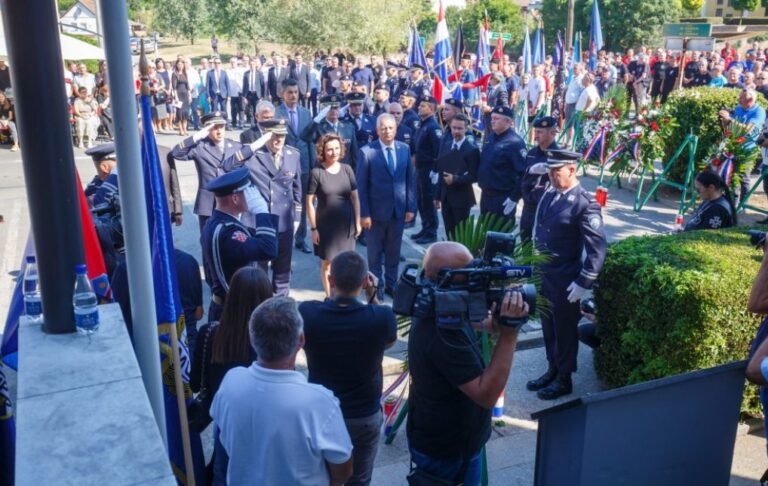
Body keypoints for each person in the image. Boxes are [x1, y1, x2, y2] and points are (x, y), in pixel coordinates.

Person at [406, 241, 530, 486]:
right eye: (469, 272)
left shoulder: (438, 302)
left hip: (452, 443)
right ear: (448, 278)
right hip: (448, 456)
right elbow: (486, 395)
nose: (476, 277)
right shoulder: (441, 333)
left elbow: (469, 321)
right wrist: (509, 335)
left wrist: (495, 323)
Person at [210, 296, 354, 486]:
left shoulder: (231, 381)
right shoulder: (320, 402)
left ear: (252, 338)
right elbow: (343, 470)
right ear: (300, 340)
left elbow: (222, 435)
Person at [299, 251, 397, 486]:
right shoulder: (381, 317)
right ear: (365, 282)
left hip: (321, 414)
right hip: (364, 414)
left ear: (331, 281)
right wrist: (373, 296)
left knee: (321, 477)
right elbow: (390, 339)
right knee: (360, 479)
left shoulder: (308, 314)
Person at [528, 150, 607, 400]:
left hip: (565, 278)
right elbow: (529, 198)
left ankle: (564, 378)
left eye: (556, 171)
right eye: (550, 171)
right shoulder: (550, 193)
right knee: (548, 327)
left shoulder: (585, 203)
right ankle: (552, 368)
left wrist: (584, 283)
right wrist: (532, 174)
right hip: (544, 274)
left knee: (564, 331)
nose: (552, 175)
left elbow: (597, 249)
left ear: (572, 170)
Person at [191, 266, 272, 479]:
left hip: (224, 420)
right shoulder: (273, 345)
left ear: (231, 295)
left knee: (223, 471)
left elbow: (194, 384)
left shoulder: (208, 333)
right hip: (263, 427)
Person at [221, 119, 302, 297]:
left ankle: (280, 310)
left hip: (283, 223)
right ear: (266, 135)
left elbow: (297, 191)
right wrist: (254, 145)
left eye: (282, 135)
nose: (278, 140)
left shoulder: (293, 154)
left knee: (283, 274)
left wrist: (296, 219)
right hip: (257, 224)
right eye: (274, 135)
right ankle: (260, 310)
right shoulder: (254, 156)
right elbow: (227, 166)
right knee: (258, 273)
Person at [200, 168, 279, 321]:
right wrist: (262, 211)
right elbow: (268, 249)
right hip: (233, 313)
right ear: (235, 198)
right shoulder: (228, 232)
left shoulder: (216, 223)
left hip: (229, 306)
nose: (251, 197)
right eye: (247, 192)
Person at [357, 113, 416, 299]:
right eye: (383, 128)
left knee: (393, 253)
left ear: (396, 129)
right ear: (377, 130)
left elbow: (410, 181)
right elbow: (361, 187)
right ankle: (377, 290)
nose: (387, 131)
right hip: (375, 214)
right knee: (374, 257)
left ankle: (392, 285)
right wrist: (363, 214)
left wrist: (410, 208)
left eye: (390, 128)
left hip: (398, 212)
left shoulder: (404, 149)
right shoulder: (367, 151)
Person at [307, 134, 361, 296]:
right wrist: (314, 228)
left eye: (337, 148)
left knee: (347, 263)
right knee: (327, 264)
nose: (334, 152)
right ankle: (330, 297)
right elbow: (309, 202)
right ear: (323, 151)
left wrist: (357, 222)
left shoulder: (347, 169)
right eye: (330, 149)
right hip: (326, 227)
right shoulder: (316, 173)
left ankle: (346, 296)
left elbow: (355, 198)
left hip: (346, 226)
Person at [170, 111, 242, 232]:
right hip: (208, 204)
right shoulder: (200, 147)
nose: (219, 131)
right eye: (214, 127)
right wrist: (196, 137)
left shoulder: (235, 146)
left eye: (221, 127)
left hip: (230, 202)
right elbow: (176, 153)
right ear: (207, 129)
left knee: (232, 244)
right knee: (208, 243)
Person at [277, 79, 316, 254]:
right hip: (284, 165)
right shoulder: (276, 113)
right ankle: (283, 239)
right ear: (282, 94)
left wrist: (313, 164)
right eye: (290, 92)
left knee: (301, 203)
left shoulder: (306, 113)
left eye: (295, 92)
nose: (293, 96)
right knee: (283, 203)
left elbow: (311, 141)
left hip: (304, 165)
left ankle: (301, 239)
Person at [477, 106, 528, 227]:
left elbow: (523, 174)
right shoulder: (491, 137)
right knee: (486, 232)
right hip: (486, 195)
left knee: (500, 236)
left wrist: (514, 198)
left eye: (496, 118)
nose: (492, 121)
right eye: (492, 118)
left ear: (508, 122)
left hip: (502, 198)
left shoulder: (515, 143)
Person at [433, 114, 479, 239]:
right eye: (454, 128)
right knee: (449, 231)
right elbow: (441, 172)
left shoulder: (471, 150)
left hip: (462, 199)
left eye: (460, 128)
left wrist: (456, 179)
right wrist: (437, 196)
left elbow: (474, 176)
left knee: (461, 234)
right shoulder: (446, 145)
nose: (456, 131)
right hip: (446, 197)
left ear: (466, 128)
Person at [719, 88, 766, 205]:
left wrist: (730, 119)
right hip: (733, 146)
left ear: (750, 100)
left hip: (748, 149)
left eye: (741, 98)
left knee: (744, 178)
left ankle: (743, 205)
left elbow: (748, 130)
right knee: (731, 176)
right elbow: (729, 127)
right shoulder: (738, 108)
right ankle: (732, 204)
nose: (738, 100)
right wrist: (725, 120)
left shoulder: (759, 112)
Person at [520, 116, 560, 243]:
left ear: (552, 133)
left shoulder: (559, 155)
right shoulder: (532, 153)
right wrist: (531, 171)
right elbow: (522, 176)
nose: (536, 136)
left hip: (546, 209)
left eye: (540, 132)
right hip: (529, 206)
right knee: (525, 241)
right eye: (535, 131)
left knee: (541, 247)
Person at [410, 95, 443, 245]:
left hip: (429, 169)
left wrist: (435, 171)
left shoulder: (433, 127)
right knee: (421, 200)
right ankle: (425, 227)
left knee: (428, 201)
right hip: (420, 168)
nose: (418, 107)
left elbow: (438, 151)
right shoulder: (422, 124)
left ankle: (431, 232)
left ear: (431, 108)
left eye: (422, 105)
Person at [301, 94, 358, 169]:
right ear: (324, 110)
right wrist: (317, 119)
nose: (334, 110)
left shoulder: (348, 127)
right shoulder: (318, 127)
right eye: (330, 108)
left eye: (336, 108)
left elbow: (354, 154)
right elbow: (304, 137)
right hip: (325, 170)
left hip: (344, 171)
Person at [171, 59, 190, 136]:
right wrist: (176, 97)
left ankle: (185, 129)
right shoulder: (174, 74)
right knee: (179, 113)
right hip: (178, 95)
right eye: (179, 64)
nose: (180, 66)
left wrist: (189, 95)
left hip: (185, 95)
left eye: (181, 64)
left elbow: (187, 86)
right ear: (176, 65)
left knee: (185, 113)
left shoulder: (185, 73)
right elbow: (174, 87)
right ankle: (180, 129)